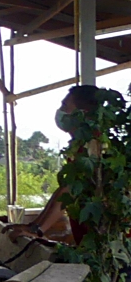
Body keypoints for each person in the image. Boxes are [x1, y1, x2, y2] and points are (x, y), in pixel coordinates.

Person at [15, 84, 100, 239]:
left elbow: (69, 190)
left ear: (83, 113)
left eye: (65, 106)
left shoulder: (93, 146)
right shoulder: (79, 145)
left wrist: (39, 230)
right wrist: (34, 226)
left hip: (102, 238)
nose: (60, 111)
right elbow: (62, 191)